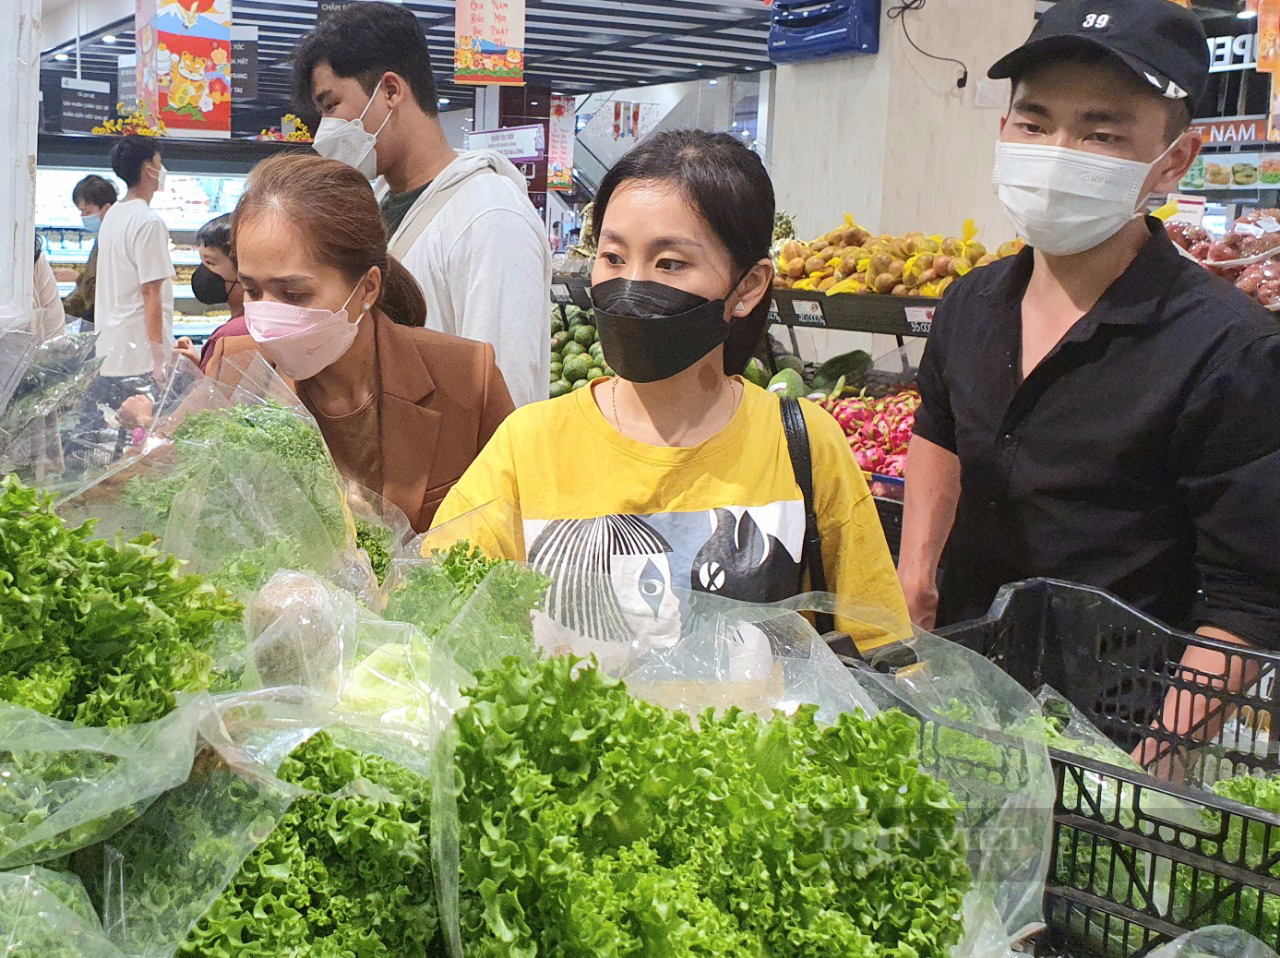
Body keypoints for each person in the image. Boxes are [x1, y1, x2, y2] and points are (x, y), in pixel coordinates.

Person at [898, 0, 1280, 743]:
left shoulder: (1230, 351)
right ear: (1004, 127)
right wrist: (916, 572)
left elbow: (1251, 600)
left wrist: (1147, 770)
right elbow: (937, 430)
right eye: (1036, 123)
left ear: (1175, 159)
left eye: (1101, 134)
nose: (1057, 150)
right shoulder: (970, 303)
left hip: (1114, 730)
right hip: (959, 697)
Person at [432, 131, 909, 650]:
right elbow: (436, 612)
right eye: (612, 258)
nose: (631, 286)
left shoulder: (805, 445)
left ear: (747, 287)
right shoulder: (529, 445)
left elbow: (883, 651)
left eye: (670, 264)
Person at [232, 153, 515, 533]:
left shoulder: (465, 379)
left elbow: (517, 527)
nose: (268, 318)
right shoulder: (233, 375)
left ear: (367, 287)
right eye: (251, 289)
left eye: (294, 295)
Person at [294, 1, 551, 407]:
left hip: (456, 467)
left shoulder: (490, 216)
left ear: (391, 90)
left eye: (331, 105)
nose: (325, 129)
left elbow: (505, 390)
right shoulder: (377, 204)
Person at [94, 135, 174, 399]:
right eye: (159, 162)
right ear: (147, 168)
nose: (162, 170)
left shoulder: (113, 215)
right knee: (141, 435)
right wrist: (160, 358)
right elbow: (151, 293)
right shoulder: (148, 222)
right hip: (139, 358)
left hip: (110, 351)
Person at [184, 213, 251, 375]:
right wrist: (202, 361)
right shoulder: (243, 324)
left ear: (243, 266)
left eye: (210, 262)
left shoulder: (232, 334)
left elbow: (213, 397)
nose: (203, 271)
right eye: (201, 261)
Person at [60, 175, 118, 324]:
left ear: (106, 208)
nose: (83, 216)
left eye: (87, 211)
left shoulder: (115, 241)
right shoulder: (103, 238)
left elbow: (101, 291)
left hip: (106, 323)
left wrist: (77, 278)